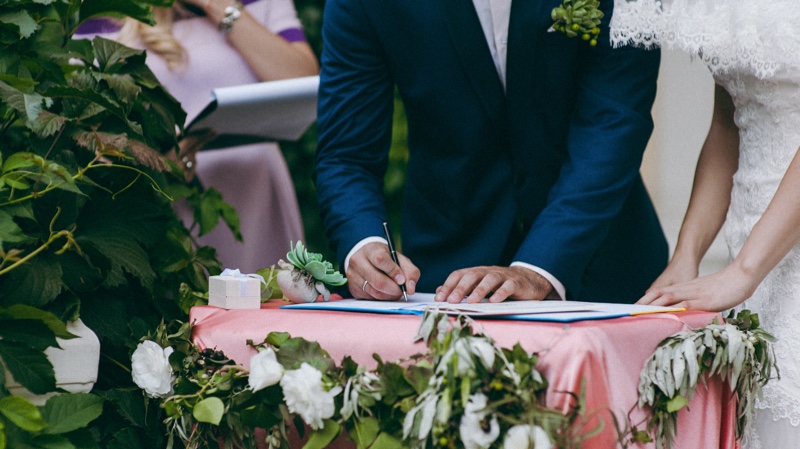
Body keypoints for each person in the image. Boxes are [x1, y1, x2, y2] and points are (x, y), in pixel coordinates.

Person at [314, 0, 668, 305]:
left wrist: (541, 265)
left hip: (604, 270)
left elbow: (615, 121)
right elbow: (347, 155)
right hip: (447, 284)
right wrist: (365, 243)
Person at [611, 0, 800, 449]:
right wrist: (687, 256)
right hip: (755, 265)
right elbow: (728, 120)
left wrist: (741, 272)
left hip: (763, 265)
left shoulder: (745, 271)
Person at [78, 0, 317, 272]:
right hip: (162, 201)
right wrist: (153, 164)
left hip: (257, 199)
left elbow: (303, 82)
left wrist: (219, 6)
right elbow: (83, 127)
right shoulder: (100, 12)